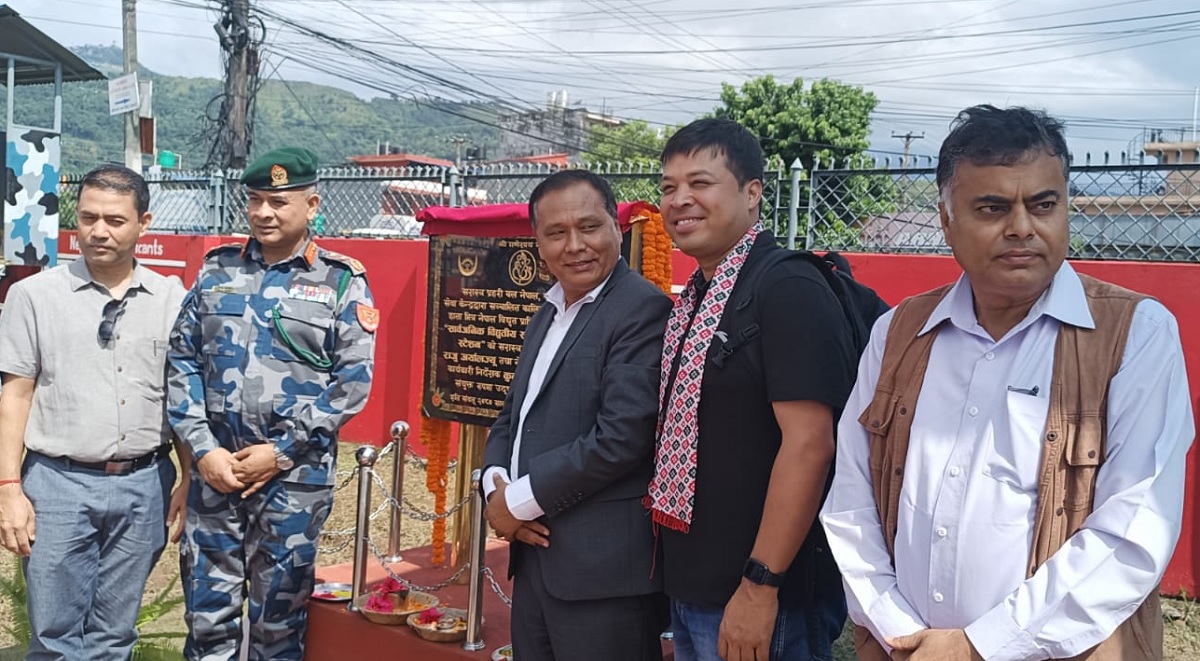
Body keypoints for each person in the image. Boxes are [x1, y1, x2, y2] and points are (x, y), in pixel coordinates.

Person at [820, 105, 1194, 661]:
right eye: (992, 208)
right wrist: (897, 629)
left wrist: (978, 646)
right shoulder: (898, 333)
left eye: (1043, 204)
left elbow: (1135, 528)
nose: (1022, 227)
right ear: (946, 219)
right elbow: (852, 501)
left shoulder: (1134, 334)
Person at [647, 118, 858, 661]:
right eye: (669, 187)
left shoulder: (786, 286)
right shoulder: (699, 295)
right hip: (696, 584)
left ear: (752, 192)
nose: (679, 200)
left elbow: (810, 444)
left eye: (700, 183)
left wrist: (760, 587)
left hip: (764, 597)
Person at [167, 147, 376, 661]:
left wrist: (280, 453)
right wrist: (203, 450)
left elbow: (351, 384)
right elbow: (181, 361)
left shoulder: (341, 281)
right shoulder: (217, 271)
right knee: (207, 620)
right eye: (256, 200)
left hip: (292, 483)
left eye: (278, 202)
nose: (263, 213)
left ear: (311, 205)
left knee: (276, 626)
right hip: (216, 478)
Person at [0, 165, 190, 660]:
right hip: (57, 486)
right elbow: (15, 396)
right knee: (54, 637)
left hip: (144, 486)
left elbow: (184, 397)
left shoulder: (172, 300)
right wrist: (8, 488)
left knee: (115, 636)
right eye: (87, 218)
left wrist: (188, 479)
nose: (98, 231)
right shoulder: (34, 297)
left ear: (144, 223)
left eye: (115, 220)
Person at [482, 169, 672, 661]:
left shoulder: (643, 310)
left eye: (588, 227)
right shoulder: (547, 312)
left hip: (603, 578)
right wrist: (494, 485)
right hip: (535, 563)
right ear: (538, 243)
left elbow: (622, 437)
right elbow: (512, 416)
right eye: (556, 233)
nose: (574, 246)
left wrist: (517, 502)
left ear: (616, 227)